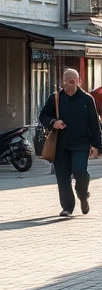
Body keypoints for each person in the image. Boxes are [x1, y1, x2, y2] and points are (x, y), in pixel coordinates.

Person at [37, 68, 102, 217]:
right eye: (64, 81)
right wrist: (54, 122)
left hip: (80, 144)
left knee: (80, 172)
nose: (65, 84)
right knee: (62, 177)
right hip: (60, 145)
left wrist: (96, 145)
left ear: (77, 81)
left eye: (70, 81)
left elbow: (94, 124)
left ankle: (83, 195)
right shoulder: (55, 98)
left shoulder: (87, 99)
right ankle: (67, 207)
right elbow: (43, 116)